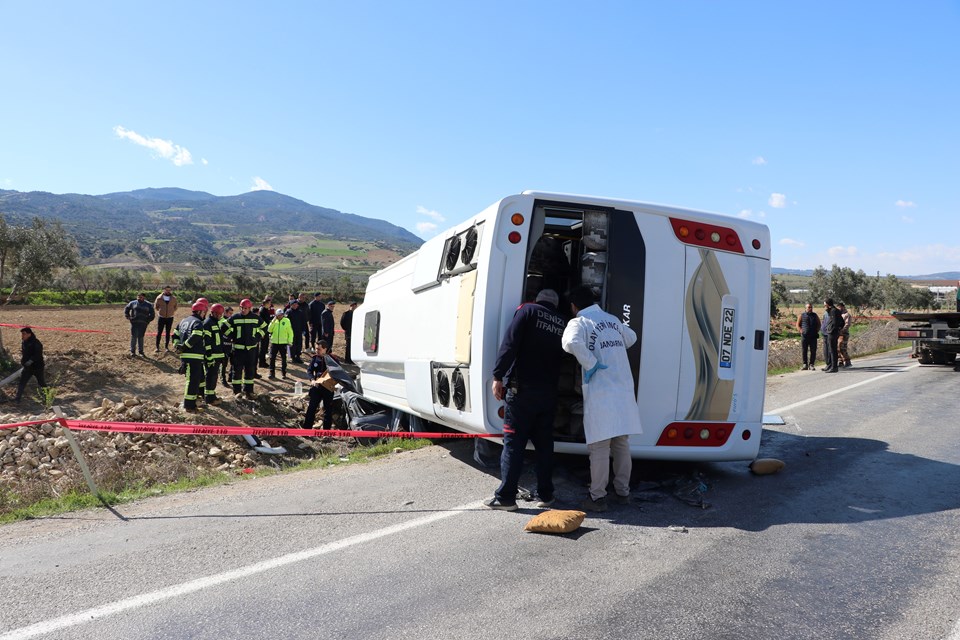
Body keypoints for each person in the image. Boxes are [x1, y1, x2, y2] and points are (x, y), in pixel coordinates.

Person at [562, 285, 643, 512]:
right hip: (623, 391)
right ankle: (623, 492)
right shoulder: (612, 320)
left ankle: (597, 497)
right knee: (621, 444)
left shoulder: (579, 322)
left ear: (574, 306)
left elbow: (571, 343)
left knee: (599, 447)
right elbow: (632, 338)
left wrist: (591, 362)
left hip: (602, 393)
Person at [484, 289, 566, 511]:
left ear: (537, 300)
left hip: (522, 393)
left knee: (513, 444)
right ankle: (546, 495)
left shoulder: (527, 310)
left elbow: (510, 344)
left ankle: (506, 498)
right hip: (548, 393)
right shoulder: (562, 322)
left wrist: (498, 375)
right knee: (544, 446)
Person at [174, 300, 208, 412]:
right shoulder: (198, 322)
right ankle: (189, 405)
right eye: (203, 312)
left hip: (185, 355)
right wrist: (184, 346)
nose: (204, 314)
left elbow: (175, 333)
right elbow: (196, 336)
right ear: (199, 312)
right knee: (193, 380)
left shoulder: (183, 321)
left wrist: (177, 346)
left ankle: (193, 401)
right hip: (194, 355)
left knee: (194, 379)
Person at [226, 298, 264, 398]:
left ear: (250, 308)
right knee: (237, 371)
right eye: (242, 308)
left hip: (251, 350)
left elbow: (264, 327)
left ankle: (249, 391)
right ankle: (237, 392)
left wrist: (257, 337)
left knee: (250, 371)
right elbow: (224, 327)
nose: (244, 310)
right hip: (238, 350)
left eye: (246, 308)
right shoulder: (235, 317)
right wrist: (232, 336)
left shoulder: (255, 318)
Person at [303, 341, 342, 429]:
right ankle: (306, 429)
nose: (317, 351)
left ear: (325, 349)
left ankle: (326, 432)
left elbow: (339, 372)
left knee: (328, 410)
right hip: (317, 387)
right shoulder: (315, 358)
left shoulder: (333, 359)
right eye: (316, 348)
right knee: (311, 408)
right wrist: (312, 379)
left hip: (328, 388)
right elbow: (309, 370)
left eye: (319, 349)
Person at [202, 303, 227, 404]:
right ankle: (209, 398)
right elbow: (206, 342)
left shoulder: (215, 322)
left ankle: (211, 395)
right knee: (211, 376)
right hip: (212, 356)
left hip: (217, 355)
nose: (221, 316)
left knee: (213, 376)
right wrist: (209, 356)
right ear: (214, 313)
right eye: (219, 314)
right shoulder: (208, 323)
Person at [14, 327, 45, 404]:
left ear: (29, 334)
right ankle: (17, 399)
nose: (22, 335)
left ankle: (47, 397)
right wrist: (23, 362)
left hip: (37, 367)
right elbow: (25, 354)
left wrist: (31, 361)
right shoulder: (24, 342)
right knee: (22, 383)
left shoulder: (36, 343)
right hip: (28, 368)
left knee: (41, 383)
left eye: (24, 334)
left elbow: (38, 354)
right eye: (22, 334)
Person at [124, 292, 155, 356]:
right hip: (134, 323)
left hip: (143, 324)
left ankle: (141, 351)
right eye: (138, 297)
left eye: (141, 297)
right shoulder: (132, 303)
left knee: (141, 337)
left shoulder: (148, 305)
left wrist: (148, 320)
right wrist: (129, 317)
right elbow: (126, 309)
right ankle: (132, 351)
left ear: (144, 297)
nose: (139, 298)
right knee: (134, 336)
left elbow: (152, 314)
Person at [267, 308, 293, 379]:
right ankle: (272, 373)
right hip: (274, 342)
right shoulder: (274, 321)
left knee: (283, 358)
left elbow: (290, 332)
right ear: (276, 315)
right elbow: (269, 329)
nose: (280, 316)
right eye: (278, 315)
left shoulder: (287, 321)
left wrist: (290, 341)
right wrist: (273, 321)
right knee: (272, 358)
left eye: (281, 315)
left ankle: (283, 373)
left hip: (283, 343)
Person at [820, 298, 843, 373]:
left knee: (832, 350)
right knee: (831, 350)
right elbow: (842, 322)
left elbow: (835, 322)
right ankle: (831, 365)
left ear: (827, 304)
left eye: (824, 305)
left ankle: (834, 367)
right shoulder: (834, 311)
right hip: (832, 333)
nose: (824, 306)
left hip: (832, 333)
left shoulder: (833, 311)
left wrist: (832, 330)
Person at [796, 303, 820, 370]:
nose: (810, 308)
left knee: (813, 351)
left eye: (811, 307)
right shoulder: (802, 315)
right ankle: (805, 364)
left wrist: (816, 331)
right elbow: (797, 325)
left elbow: (819, 324)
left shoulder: (815, 315)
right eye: (809, 307)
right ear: (805, 308)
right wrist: (801, 331)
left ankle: (811, 364)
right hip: (805, 336)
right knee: (804, 350)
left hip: (813, 337)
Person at [154, 285, 178, 352]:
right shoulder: (159, 298)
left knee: (168, 332)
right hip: (161, 317)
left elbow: (175, 307)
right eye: (166, 290)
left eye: (169, 290)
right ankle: (157, 347)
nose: (168, 291)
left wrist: (171, 312)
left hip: (170, 318)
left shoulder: (173, 298)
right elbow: (156, 306)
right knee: (159, 332)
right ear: (164, 290)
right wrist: (161, 312)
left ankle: (166, 347)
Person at [286, 298, 307, 364]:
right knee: (293, 344)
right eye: (294, 304)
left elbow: (303, 322)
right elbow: (286, 322)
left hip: (299, 331)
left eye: (296, 304)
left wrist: (303, 329)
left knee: (299, 344)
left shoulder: (300, 312)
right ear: (291, 305)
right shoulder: (288, 312)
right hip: (291, 332)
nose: (295, 305)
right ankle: (293, 357)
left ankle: (298, 356)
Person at [257, 297, 274, 369]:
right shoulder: (263, 310)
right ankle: (261, 362)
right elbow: (263, 321)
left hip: (266, 330)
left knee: (265, 347)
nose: (270, 305)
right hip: (264, 331)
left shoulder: (265, 310)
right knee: (263, 347)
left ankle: (263, 361)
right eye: (269, 303)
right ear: (266, 304)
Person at [220, 306, 234, 385]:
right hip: (223, 345)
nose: (231, 315)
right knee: (224, 363)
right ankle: (223, 378)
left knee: (233, 361)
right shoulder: (222, 321)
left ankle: (230, 376)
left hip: (230, 344)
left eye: (232, 314)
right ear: (225, 312)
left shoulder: (230, 321)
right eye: (229, 313)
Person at [837, 302, 853, 368]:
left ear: (843, 307)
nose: (839, 308)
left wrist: (842, 331)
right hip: (838, 334)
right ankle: (840, 361)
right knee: (837, 348)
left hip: (844, 334)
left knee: (842, 347)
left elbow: (847, 324)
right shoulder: (838, 314)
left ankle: (847, 361)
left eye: (840, 307)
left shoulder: (846, 315)